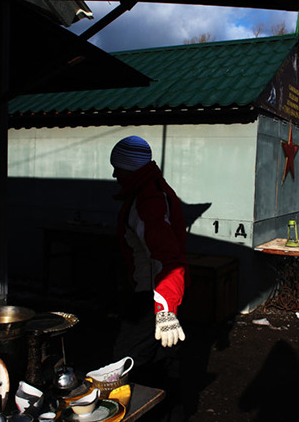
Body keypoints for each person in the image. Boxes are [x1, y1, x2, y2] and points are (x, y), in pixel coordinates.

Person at [109, 135, 189, 421]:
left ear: (130, 167)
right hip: (157, 298)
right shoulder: (150, 190)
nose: (114, 173)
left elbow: (168, 259)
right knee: (163, 370)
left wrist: (164, 311)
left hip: (150, 301)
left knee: (122, 368)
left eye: (117, 167)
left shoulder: (148, 200)